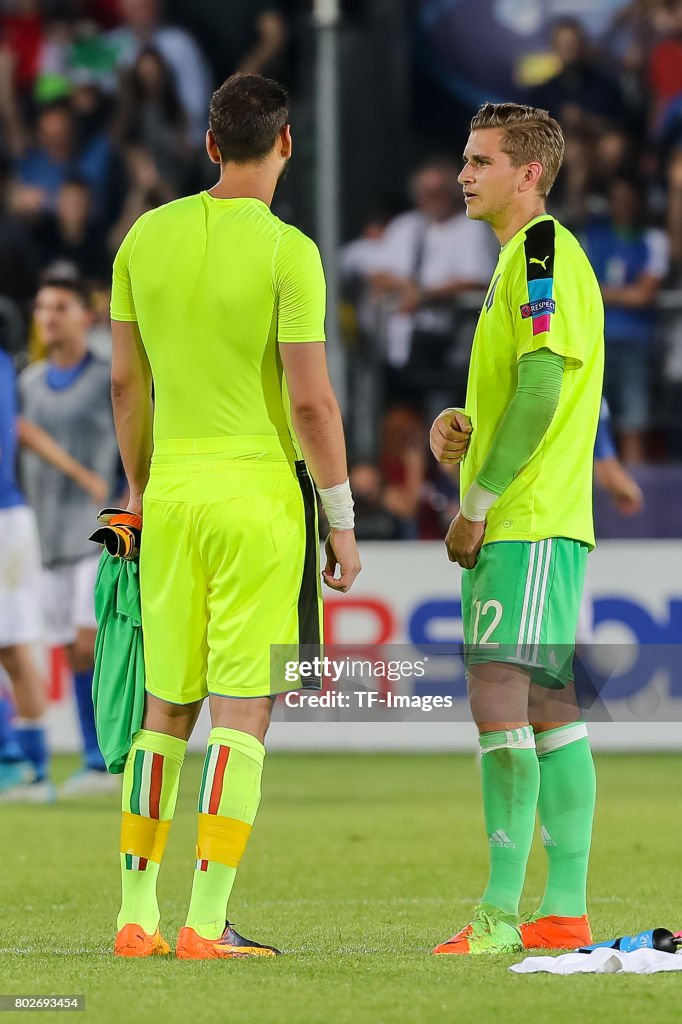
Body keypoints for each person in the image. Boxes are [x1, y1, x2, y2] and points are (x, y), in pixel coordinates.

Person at [109, 72, 360, 960]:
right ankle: (206, 924)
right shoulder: (290, 252)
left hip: (170, 495)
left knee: (164, 709)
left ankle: (135, 919)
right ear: (286, 143)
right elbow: (313, 405)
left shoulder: (144, 237)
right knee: (242, 711)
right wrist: (341, 519)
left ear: (210, 145)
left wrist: (138, 492)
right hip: (257, 495)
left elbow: (124, 384)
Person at [429, 102, 604, 955]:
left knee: (499, 700)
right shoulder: (521, 261)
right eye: (466, 159)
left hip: (525, 520)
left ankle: (500, 918)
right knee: (545, 704)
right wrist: (461, 425)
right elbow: (518, 391)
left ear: (528, 172)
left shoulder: (539, 251)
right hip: (541, 516)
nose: (463, 173)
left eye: (480, 160)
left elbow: (543, 391)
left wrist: (476, 503)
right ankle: (563, 910)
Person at [20, 274, 121, 797]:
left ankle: (108, 756)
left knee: (91, 642)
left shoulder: (109, 377)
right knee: (68, 647)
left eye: (60, 306)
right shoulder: (29, 383)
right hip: (45, 533)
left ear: (86, 315)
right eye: (41, 307)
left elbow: (136, 440)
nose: (49, 316)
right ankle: (91, 757)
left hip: (99, 529)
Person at [0, 332, 108, 802]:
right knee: (29, 647)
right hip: (32, 523)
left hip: (36, 521)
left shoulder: (103, 376)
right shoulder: (19, 372)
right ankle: (30, 765)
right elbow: (20, 427)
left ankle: (26, 765)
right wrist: (77, 471)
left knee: (52, 646)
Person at [369, 160, 495, 412]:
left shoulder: (471, 228)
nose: (433, 198)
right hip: (402, 344)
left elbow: (478, 280)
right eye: (426, 192)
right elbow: (377, 272)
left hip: (451, 344)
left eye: (440, 191)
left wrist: (425, 296)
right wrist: (406, 288)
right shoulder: (406, 226)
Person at [582, 176, 669, 464]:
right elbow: (580, 286)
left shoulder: (653, 239)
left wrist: (601, 291)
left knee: (634, 418)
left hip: (636, 341)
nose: (624, 206)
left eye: (630, 199)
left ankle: (638, 496)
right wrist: (622, 293)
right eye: (618, 199)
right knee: (589, 417)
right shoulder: (592, 236)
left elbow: (644, 294)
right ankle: (594, 491)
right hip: (592, 341)